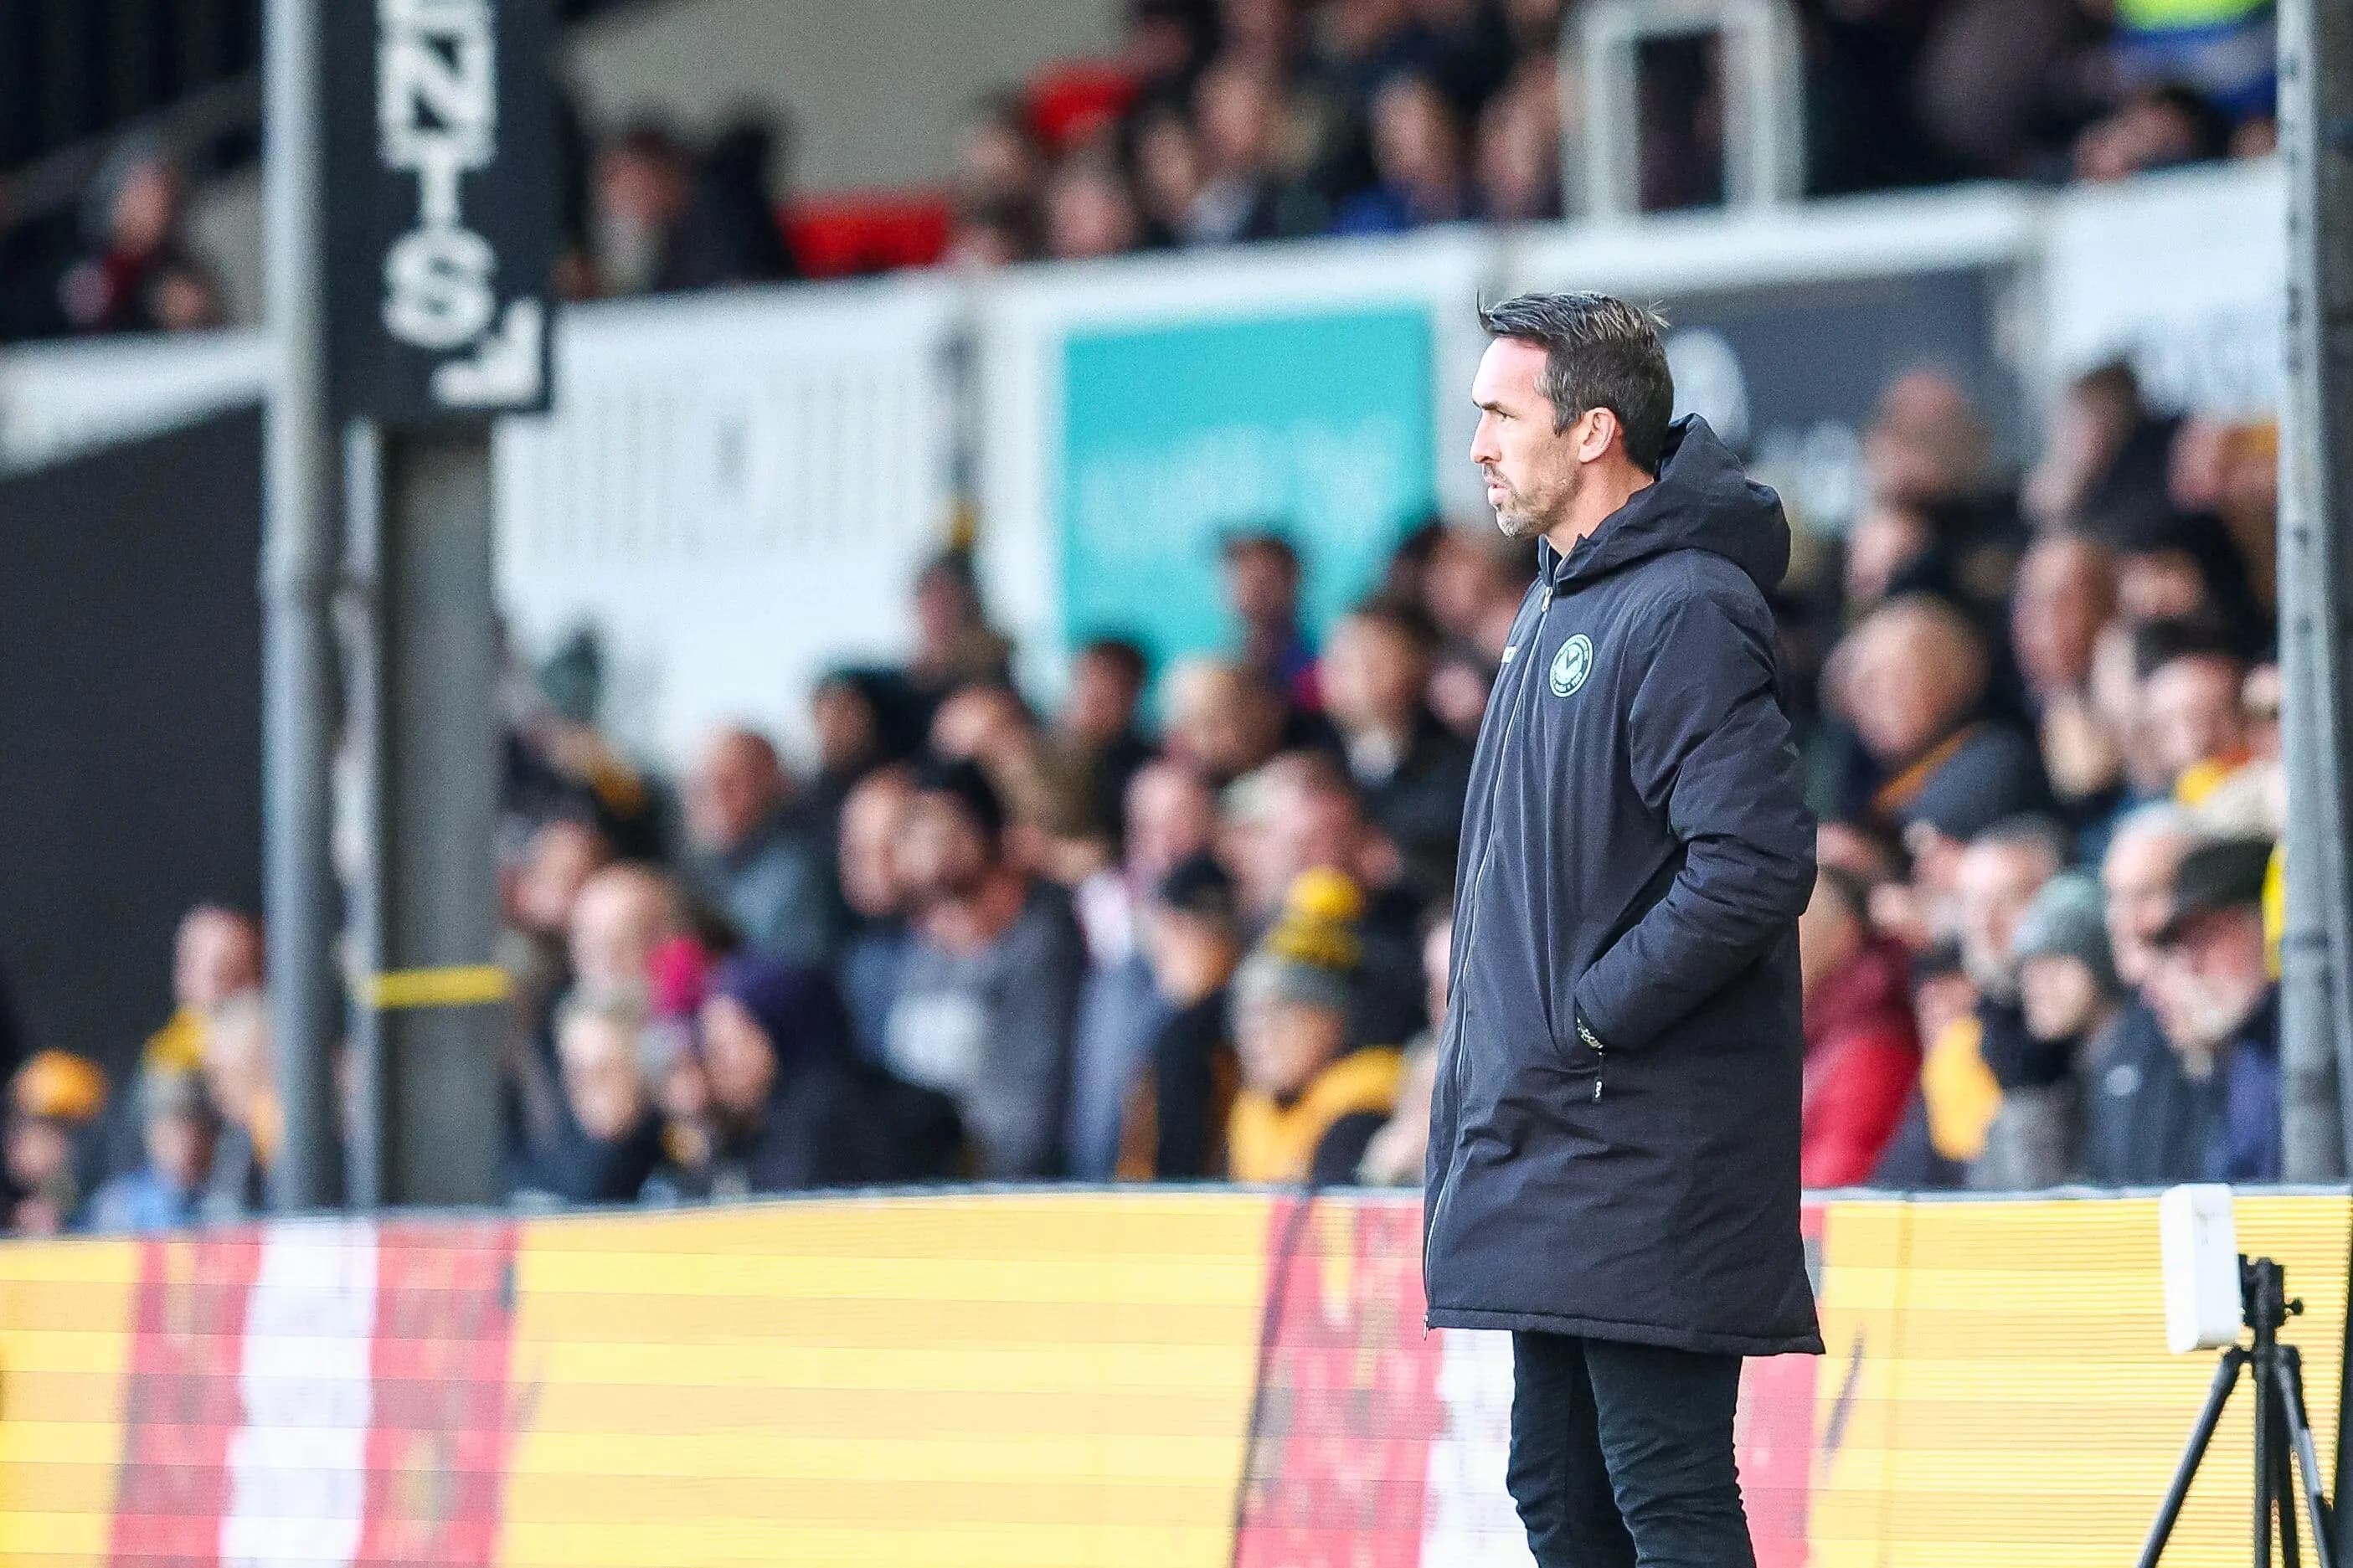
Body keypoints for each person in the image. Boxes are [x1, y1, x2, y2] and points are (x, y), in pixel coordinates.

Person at [1425, 292, 1819, 1567]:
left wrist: (1589, 1014)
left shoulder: (1682, 607)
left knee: (1666, 1494)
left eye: (1499, 413)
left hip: (1639, 1140)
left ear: (1593, 429)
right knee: (1558, 1486)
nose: (1477, 443)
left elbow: (1754, 862)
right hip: (1562, 1139)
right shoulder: (1557, 602)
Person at [884, 760, 1086, 1177]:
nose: (931, 843)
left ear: (986, 830)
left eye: (946, 826)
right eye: (917, 829)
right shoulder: (919, 955)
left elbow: (1035, 1113)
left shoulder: (1041, 944)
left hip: (1007, 1196)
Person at [1224, 870, 1403, 1183]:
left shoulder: (1361, 1106)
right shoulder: (1252, 1109)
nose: (1259, 1037)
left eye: (1280, 1016)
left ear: (1332, 1020)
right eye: (1249, 1019)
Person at [2144, 836, 2282, 1182]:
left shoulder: (2311, 1041)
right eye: (2184, 946)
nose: (2191, 965)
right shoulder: (2243, 1052)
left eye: (2208, 938)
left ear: (2268, 926)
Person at [1319, 597, 1475, 896]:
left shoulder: (1460, 765)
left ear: (1415, 665)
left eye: (1371, 660)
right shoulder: (1314, 758)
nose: (1353, 674)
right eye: (1340, 660)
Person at [1794, 866, 1919, 1189]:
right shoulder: (1814, 1029)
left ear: (1845, 930)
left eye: (1799, 923)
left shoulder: (1874, 1040)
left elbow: (1836, 1177)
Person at [682, 728, 837, 964]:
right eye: (704, 785)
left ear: (773, 783)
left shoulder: (797, 870)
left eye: (732, 783)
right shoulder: (701, 869)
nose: (717, 797)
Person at [87, 1067, 217, 1233]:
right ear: (150, 1132)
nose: (185, 1141)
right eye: (169, 1129)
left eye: (192, 1126)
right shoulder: (121, 1205)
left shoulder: (225, 1194)